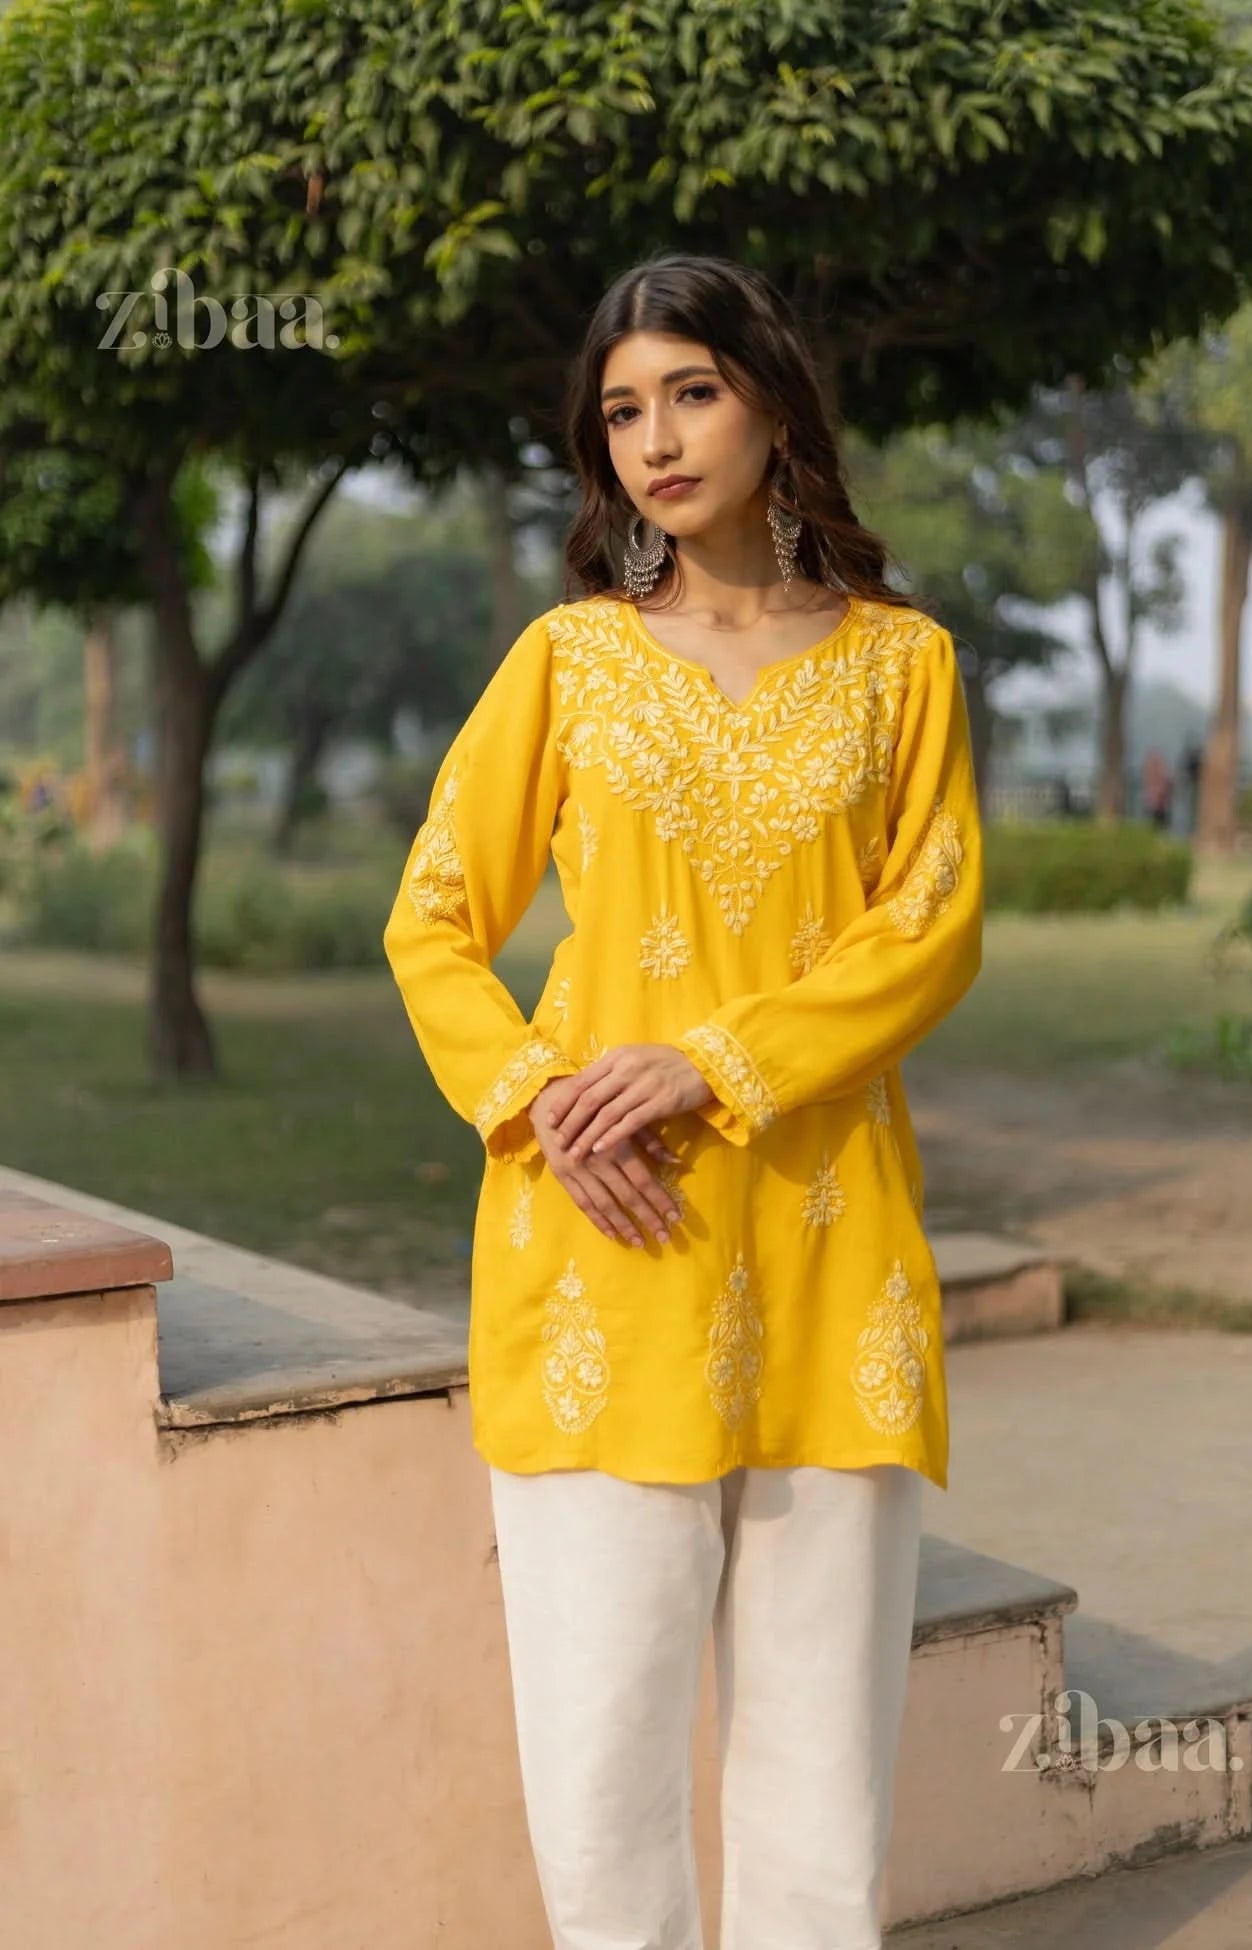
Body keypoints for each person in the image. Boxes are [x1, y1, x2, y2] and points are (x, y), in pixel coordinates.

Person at [384, 252, 984, 1950]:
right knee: (602, 1771)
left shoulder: (902, 667)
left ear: (773, 404)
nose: (653, 438)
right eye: (622, 410)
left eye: (692, 393)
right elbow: (433, 915)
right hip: (607, 1245)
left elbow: (931, 927)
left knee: (821, 1790)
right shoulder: (568, 661)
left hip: (827, 1259)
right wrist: (535, 1097)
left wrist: (713, 1060)